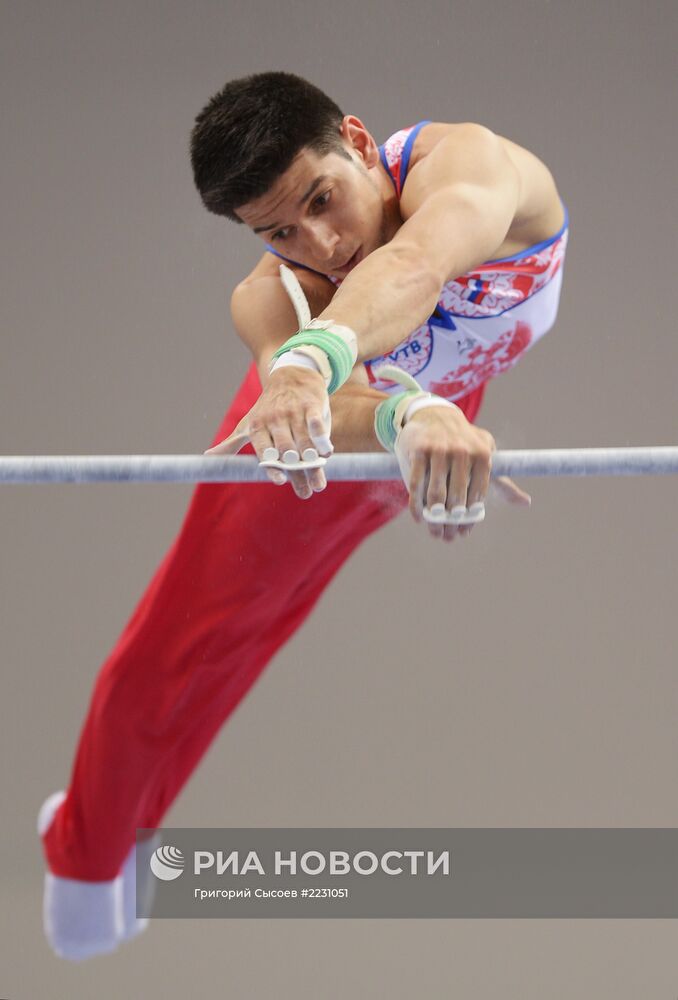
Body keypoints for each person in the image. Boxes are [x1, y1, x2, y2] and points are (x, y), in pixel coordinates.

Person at [37, 70, 569, 960]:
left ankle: (107, 834)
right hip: (312, 426)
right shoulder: (273, 297)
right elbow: (345, 398)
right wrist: (400, 417)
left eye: (323, 199)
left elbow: (414, 267)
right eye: (280, 232)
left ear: (359, 142)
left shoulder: (470, 167)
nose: (323, 246)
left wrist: (324, 364)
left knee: (265, 620)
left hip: (368, 389)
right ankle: (84, 853)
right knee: (193, 642)